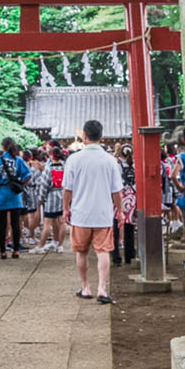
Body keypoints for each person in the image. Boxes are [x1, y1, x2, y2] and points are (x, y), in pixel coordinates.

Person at [63, 121, 122, 303]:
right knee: (103, 251)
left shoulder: (74, 159)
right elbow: (116, 191)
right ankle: (102, 288)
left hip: (80, 214)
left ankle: (86, 287)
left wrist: (66, 208)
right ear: (101, 137)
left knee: (81, 252)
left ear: (84, 137)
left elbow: (67, 189)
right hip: (103, 214)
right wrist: (119, 211)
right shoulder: (110, 160)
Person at [0, 138, 30, 259]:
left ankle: (3, 251)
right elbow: (28, 175)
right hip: (15, 195)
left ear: (3, 147)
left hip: (1, 193)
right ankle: (16, 250)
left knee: (2, 224)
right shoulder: (18, 160)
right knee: (16, 224)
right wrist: (21, 185)